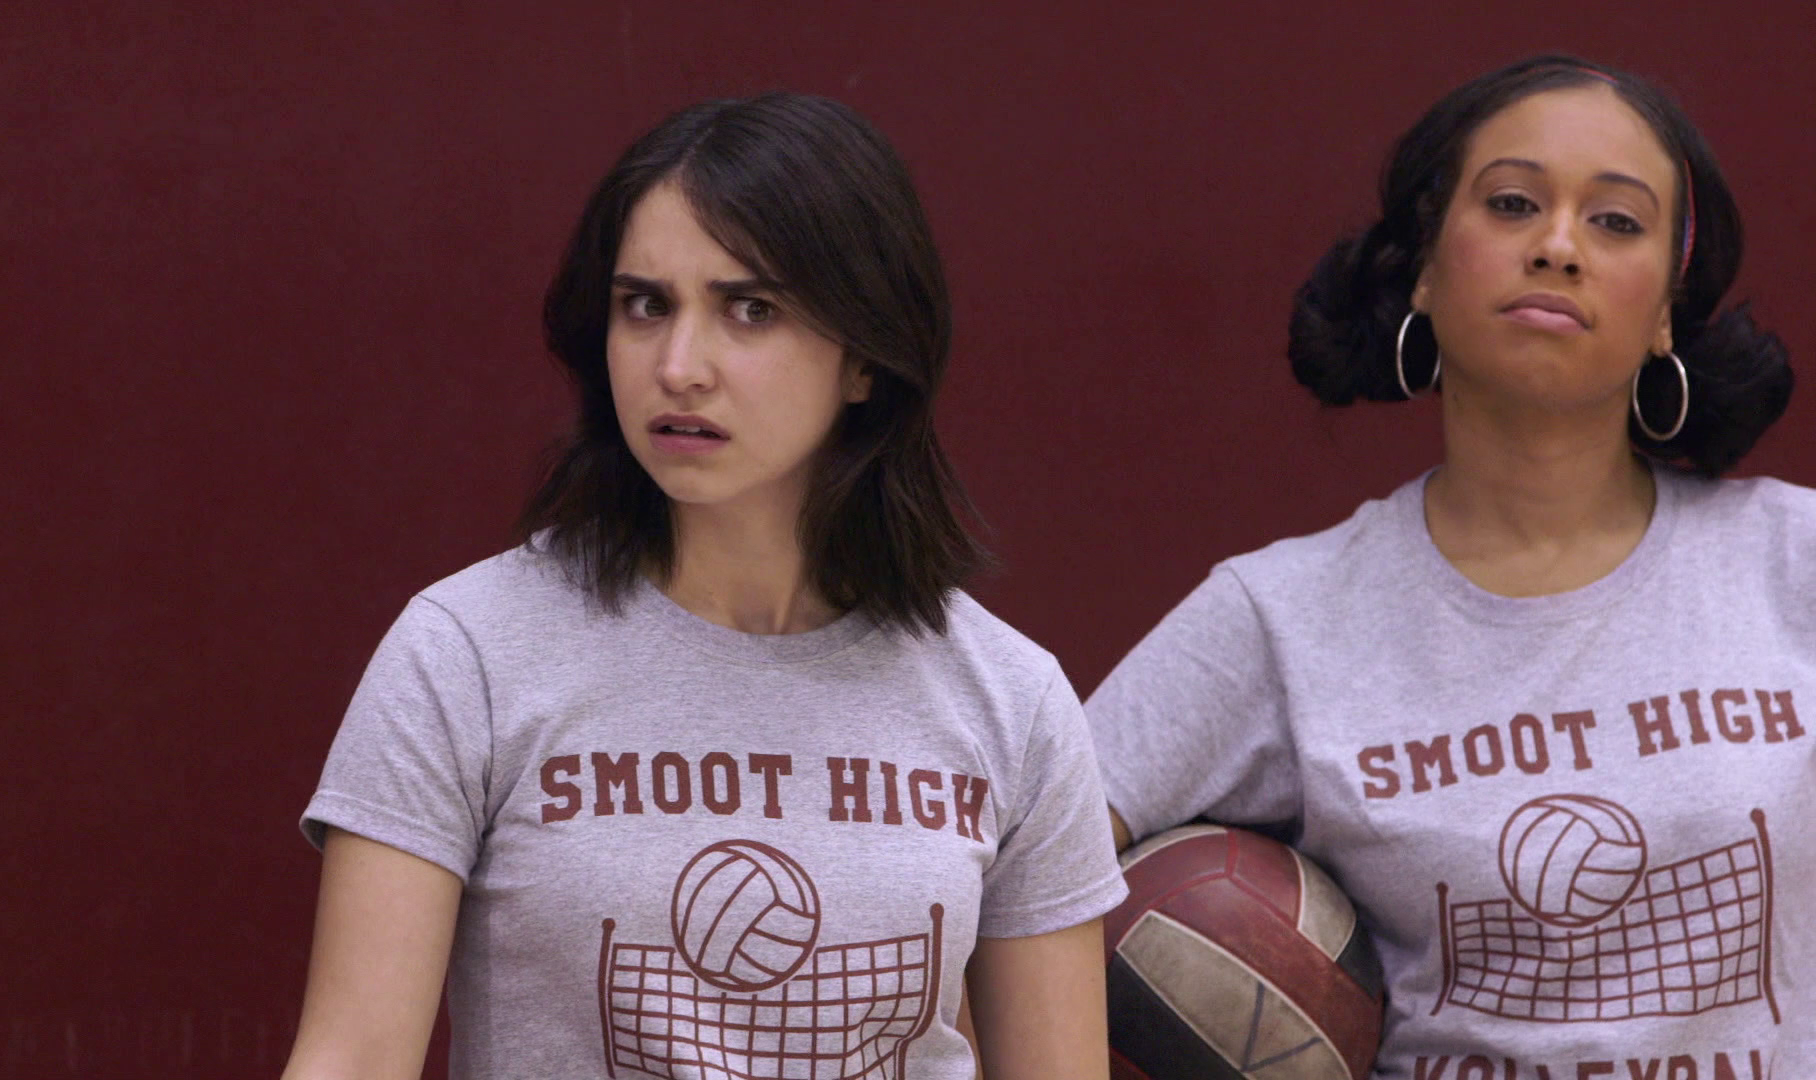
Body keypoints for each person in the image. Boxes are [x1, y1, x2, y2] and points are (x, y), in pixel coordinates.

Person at [281, 92, 1125, 1080]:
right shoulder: (467, 654)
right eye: (646, 305)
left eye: (749, 309)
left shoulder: (1011, 698)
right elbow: (350, 1058)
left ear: (865, 357)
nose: (679, 367)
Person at [1087, 55, 1806, 1076]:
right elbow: (1019, 878)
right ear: (1425, 267)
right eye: (1512, 204)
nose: (1558, 246)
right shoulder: (1282, 616)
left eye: (1616, 221)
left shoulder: (1792, 562)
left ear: (1664, 312)